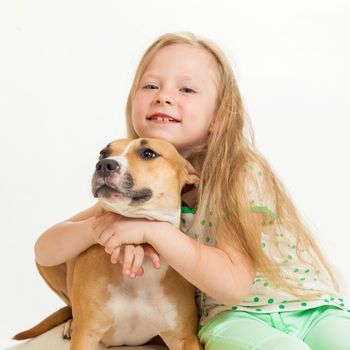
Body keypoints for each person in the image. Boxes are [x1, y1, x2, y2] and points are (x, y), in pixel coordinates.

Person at [35, 32, 350, 349]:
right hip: (233, 318)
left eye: (186, 89)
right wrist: (107, 227)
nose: (163, 97)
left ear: (218, 116)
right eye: (151, 86)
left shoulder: (239, 174)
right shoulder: (141, 193)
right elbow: (46, 253)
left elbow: (233, 284)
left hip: (315, 307)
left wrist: (153, 232)